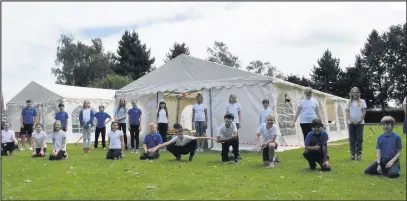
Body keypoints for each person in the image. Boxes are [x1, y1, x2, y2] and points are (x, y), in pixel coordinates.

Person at [149, 123, 214, 161]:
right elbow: (166, 143)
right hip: (179, 149)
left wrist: (210, 138)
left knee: (194, 141)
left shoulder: (186, 137)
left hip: (185, 149)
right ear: (177, 134)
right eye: (179, 134)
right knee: (168, 145)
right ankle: (178, 156)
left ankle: (191, 156)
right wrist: (156, 148)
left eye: (181, 134)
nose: (180, 135)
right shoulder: (176, 137)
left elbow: (199, 137)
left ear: (183, 133)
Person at [345, 87, 367, 160]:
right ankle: (353, 154)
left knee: (359, 139)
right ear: (351, 93)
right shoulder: (348, 102)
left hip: (360, 123)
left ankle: (359, 154)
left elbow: (364, 111)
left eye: (357, 92)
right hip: (351, 123)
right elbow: (347, 112)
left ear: (359, 93)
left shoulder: (362, 101)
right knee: (352, 139)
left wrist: (360, 120)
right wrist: (351, 120)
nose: (355, 93)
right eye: (354, 92)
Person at [226, 94, 242, 159]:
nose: (233, 99)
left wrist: (239, 122)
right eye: (232, 98)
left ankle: (236, 152)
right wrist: (226, 122)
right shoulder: (228, 105)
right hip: (230, 123)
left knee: (236, 137)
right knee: (230, 136)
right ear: (230, 98)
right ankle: (229, 151)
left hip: (236, 122)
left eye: (235, 98)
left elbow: (239, 114)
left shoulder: (238, 105)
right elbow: (226, 115)